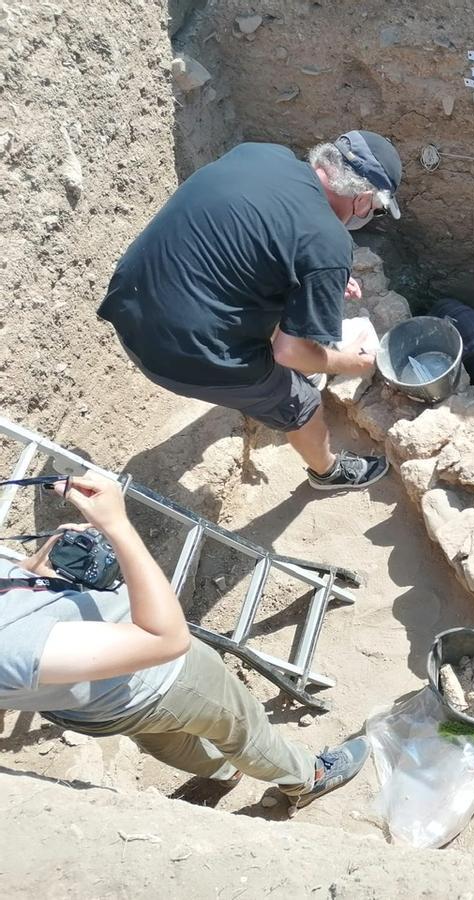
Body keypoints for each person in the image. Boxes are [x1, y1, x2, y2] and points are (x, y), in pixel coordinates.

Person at [0, 473, 370, 809]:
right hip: (156, 677)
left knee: (164, 735)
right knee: (242, 725)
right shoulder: (11, 645)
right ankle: (307, 780)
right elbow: (164, 638)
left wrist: (38, 568)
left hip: (86, 703)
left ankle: (225, 772)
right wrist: (117, 526)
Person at [98, 131, 405, 491]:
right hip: (171, 353)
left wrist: (323, 272)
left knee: (277, 307)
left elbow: (257, 242)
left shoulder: (261, 154)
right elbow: (289, 352)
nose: (373, 214)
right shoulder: (329, 243)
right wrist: (351, 363)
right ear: (365, 196)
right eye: (378, 208)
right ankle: (328, 472)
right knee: (302, 402)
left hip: (128, 301)